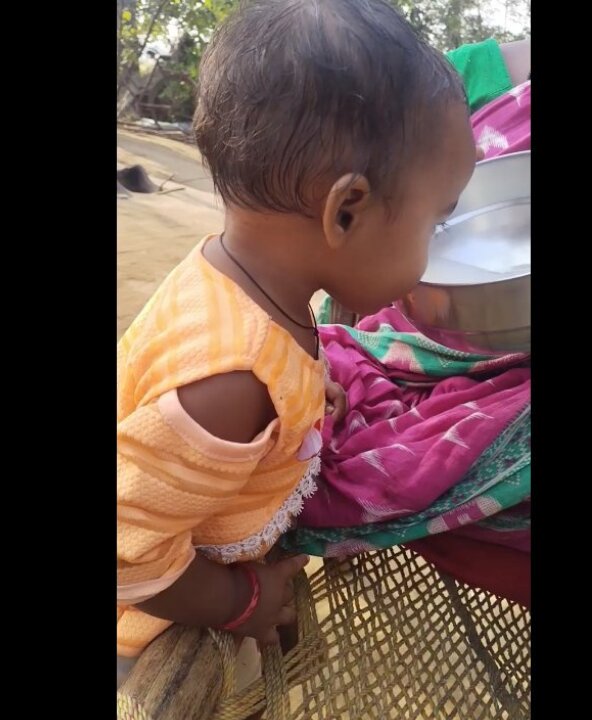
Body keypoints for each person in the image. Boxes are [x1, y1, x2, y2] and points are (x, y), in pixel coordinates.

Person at [116, 0, 476, 687]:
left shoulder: (246, 287)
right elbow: (125, 550)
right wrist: (241, 602)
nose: (432, 257)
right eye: (435, 223)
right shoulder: (227, 380)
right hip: (151, 636)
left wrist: (306, 393)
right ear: (346, 210)